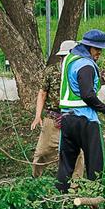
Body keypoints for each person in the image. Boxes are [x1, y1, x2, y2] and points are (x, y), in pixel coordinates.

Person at [57, 29, 105, 192]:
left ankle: (60, 201)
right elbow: (87, 95)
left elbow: (77, 86)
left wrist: (101, 81)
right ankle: (99, 203)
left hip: (67, 120)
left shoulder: (70, 60)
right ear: (88, 47)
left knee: (66, 165)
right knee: (97, 164)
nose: (99, 53)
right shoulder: (86, 65)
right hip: (86, 120)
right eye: (97, 49)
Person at [30, 40, 84, 178]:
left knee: (77, 154)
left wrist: (101, 81)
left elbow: (88, 90)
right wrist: (38, 116)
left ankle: (76, 186)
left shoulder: (80, 71)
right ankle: (35, 180)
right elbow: (42, 93)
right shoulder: (51, 71)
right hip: (53, 119)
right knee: (41, 153)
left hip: (73, 118)